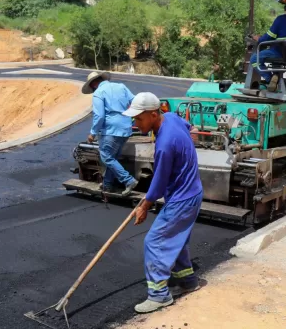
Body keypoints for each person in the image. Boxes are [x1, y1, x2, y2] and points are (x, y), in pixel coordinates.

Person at [122, 92, 203, 314]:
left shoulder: (165, 144)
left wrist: (144, 207)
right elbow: (189, 127)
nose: (135, 123)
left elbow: (158, 184)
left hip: (181, 200)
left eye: (138, 119)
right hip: (192, 193)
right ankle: (187, 281)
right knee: (176, 238)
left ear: (153, 114)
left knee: (154, 242)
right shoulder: (173, 118)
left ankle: (159, 296)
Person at [82, 71, 139, 196]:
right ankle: (107, 185)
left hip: (111, 130)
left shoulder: (98, 93)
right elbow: (135, 101)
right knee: (113, 158)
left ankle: (128, 180)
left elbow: (99, 115)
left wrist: (92, 133)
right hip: (126, 128)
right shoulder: (121, 86)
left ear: (93, 85)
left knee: (106, 157)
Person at [250, 2, 286, 92]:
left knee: (254, 59)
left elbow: (269, 36)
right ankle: (276, 76)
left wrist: (259, 38)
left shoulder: (281, 19)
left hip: (279, 52)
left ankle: (271, 79)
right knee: (276, 62)